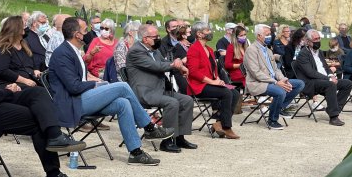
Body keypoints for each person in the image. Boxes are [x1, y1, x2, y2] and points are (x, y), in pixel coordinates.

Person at [0, 15, 87, 177]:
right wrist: (8, 91)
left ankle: (55, 144)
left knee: (38, 101)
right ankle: (53, 172)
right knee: (36, 113)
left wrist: (8, 89)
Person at [49, 17, 174, 165]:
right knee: (122, 87)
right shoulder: (62, 53)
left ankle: (136, 153)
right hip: (72, 103)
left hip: (81, 98)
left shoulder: (74, 50)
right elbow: (73, 87)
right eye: (85, 30)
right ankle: (149, 127)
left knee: (122, 103)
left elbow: (79, 79)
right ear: (77, 34)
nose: (89, 32)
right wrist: (95, 85)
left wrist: (97, 81)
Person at [126, 23, 197, 153]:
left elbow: (163, 63)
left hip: (159, 90)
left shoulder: (154, 49)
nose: (158, 38)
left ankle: (179, 137)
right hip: (144, 92)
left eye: (158, 35)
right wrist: (176, 64)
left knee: (187, 100)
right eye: (155, 36)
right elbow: (156, 66)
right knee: (172, 102)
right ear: (145, 38)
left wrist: (179, 65)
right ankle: (167, 141)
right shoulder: (136, 51)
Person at [186, 21, 241, 139]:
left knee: (235, 93)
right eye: (207, 30)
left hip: (211, 83)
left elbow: (213, 70)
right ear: (199, 34)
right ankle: (226, 127)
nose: (210, 32)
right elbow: (194, 72)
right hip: (199, 86)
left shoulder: (209, 49)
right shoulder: (194, 49)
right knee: (226, 93)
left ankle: (219, 123)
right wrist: (213, 82)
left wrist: (217, 79)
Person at [244, 24, 304, 130]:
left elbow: (276, 69)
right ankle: (272, 120)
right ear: (259, 36)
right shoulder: (251, 50)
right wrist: (276, 82)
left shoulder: (268, 50)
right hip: (258, 83)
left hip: (273, 81)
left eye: (270, 34)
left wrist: (282, 79)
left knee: (300, 84)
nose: (269, 37)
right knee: (280, 92)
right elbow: (256, 73)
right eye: (267, 35)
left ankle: (278, 108)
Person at [295, 29, 352, 126]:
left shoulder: (320, 52)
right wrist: (329, 79)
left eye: (319, 38)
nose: (318, 41)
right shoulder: (303, 54)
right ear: (308, 41)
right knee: (330, 85)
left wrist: (331, 75)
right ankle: (334, 117)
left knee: (347, 83)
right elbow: (310, 73)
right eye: (315, 39)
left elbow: (326, 67)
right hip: (311, 83)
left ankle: (334, 109)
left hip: (324, 80)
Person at [0, 16, 43, 89]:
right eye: (23, 24)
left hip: (29, 81)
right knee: (40, 92)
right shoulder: (1, 48)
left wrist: (36, 70)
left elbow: (32, 61)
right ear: (15, 28)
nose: (25, 27)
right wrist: (24, 80)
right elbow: (3, 71)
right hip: (9, 85)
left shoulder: (24, 45)